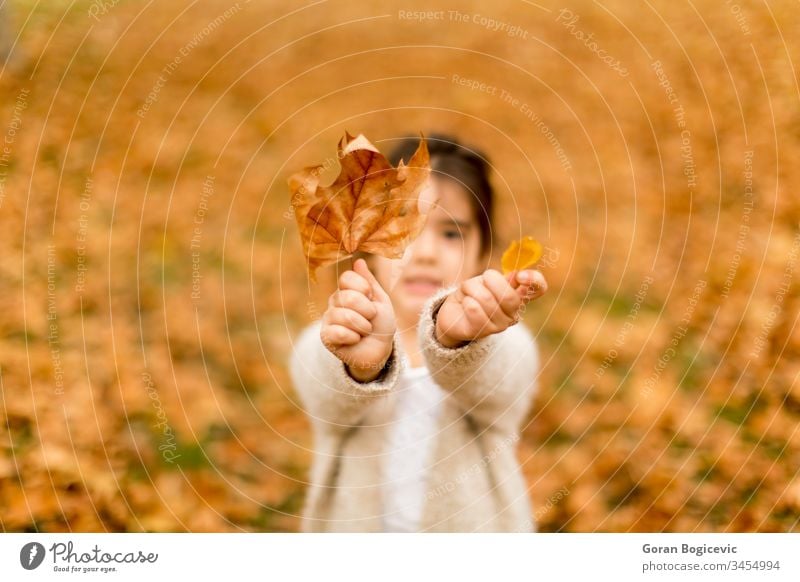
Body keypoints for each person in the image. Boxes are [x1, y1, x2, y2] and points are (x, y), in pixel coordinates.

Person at [289, 134, 548, 532]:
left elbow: (501, 379)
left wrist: (457, 341)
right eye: (405, 229)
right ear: (369, 245)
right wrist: (362, 367)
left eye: (451, 234)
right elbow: (323, 389)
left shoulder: (503, 342)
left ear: (481, 253)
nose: (426, 252)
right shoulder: (331, 338)